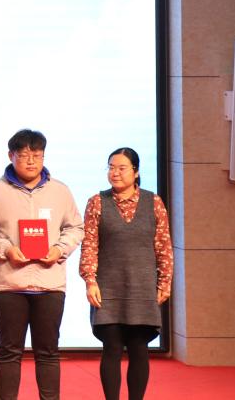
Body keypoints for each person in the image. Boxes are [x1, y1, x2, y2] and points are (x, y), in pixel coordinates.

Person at [0, 129, 84, 400]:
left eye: (37, 155)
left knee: (48, 352)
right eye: (24, 155)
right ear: (11, 156)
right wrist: (6, 249)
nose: (31, 161)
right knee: (9, 352)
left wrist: (59, 249)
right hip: (10, 284)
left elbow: (75, 227)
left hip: (50, 283)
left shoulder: (60, 191)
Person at [80, 147, 173, 400]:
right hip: (108, 288)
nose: (115, 173)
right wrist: (90, 280)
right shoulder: (97, 202)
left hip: (143, 287)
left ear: (136, 171)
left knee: (138, 348)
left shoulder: (153, 202)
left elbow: (163, 246)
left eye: (122, 168)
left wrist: (165, 282)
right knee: (111, 347)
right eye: (111, 167)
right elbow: (89, 245)